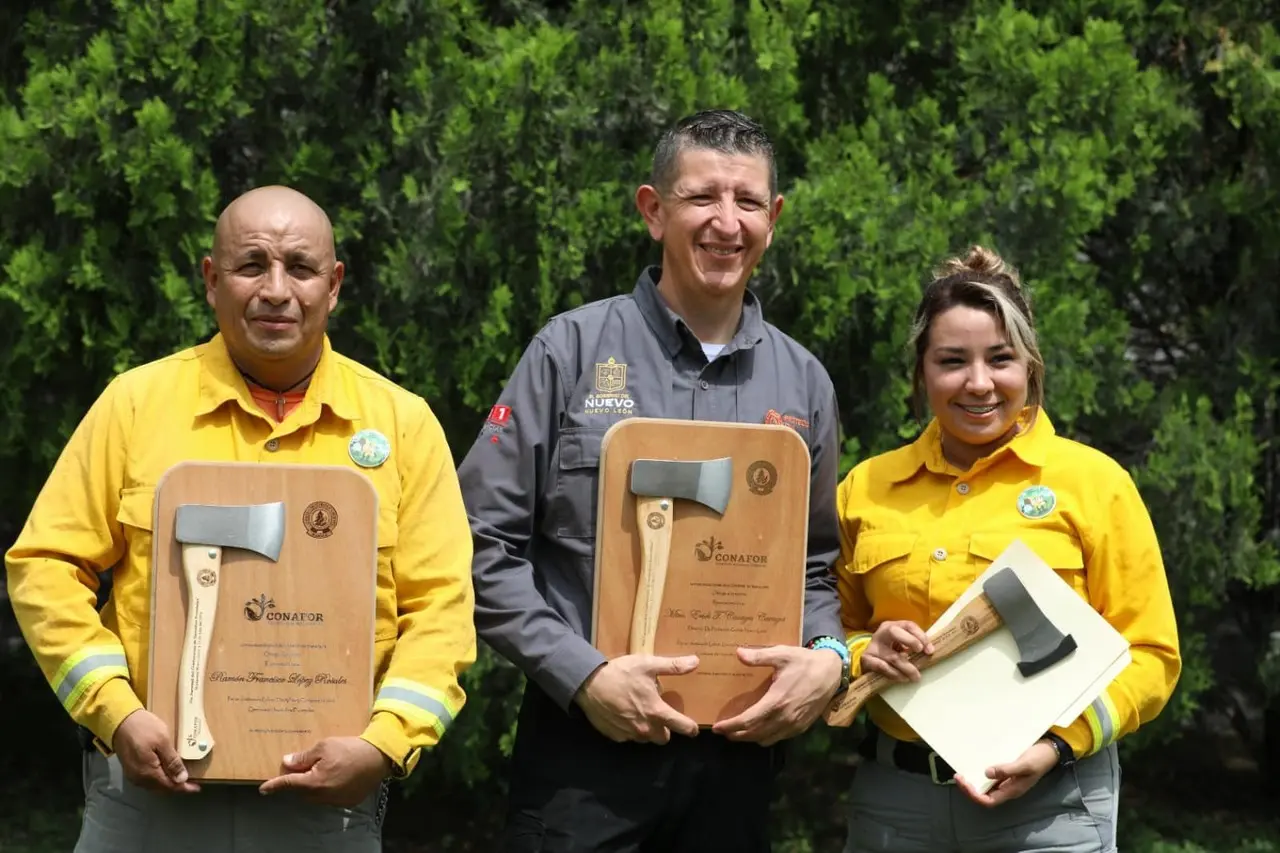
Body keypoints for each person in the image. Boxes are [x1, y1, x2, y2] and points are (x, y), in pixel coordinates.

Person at [4, 185, 477, 852]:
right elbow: (45, 566)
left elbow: (441, 610)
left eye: (301, 268)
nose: (277, 289)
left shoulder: (401, 425)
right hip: (148, 797)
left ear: (334, 284)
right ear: (211, 279)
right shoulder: (135, 406)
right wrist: (116, 712)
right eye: (252, 264)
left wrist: (384, 742)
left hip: (325, 809)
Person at [456, 109, 850, 851]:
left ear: (776, 217)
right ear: (653, 210)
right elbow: (478, 543)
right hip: (584, 754)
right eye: (703, 197)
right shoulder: (568, 351)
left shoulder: (804, 383)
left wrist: (828, 659)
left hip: (738, 759)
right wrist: (582, 675)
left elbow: (817, 566)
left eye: (748, 201)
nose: (726, 223)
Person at [834, 245, 1182, 853]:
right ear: (921, 372)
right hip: (896, 805)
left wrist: (1056, 745)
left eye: (1000, 359)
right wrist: (866, 652)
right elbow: (826, 632)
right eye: (951, 361)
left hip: (1054, 807)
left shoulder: (1093, 483)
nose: (978, 383)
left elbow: (1152, 655)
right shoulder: (865, 488)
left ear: (1030, 366)